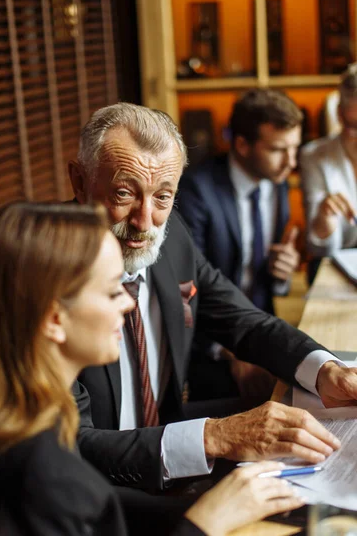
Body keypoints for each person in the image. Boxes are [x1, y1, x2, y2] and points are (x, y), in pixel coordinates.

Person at [0, 201, 305, 536]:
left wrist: (212, 504)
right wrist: (202, 523)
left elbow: (95, 510)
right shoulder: (36, 467)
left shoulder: (17, 409)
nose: (129, 302)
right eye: (112, 292)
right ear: (54, 319)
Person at [69, 102, 357, 494]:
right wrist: (213, 437)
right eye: (123, 193)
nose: (144, 221)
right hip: (99, 490)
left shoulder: (172, 239)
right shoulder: (43, 275)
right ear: (79, 181)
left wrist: (326, 371)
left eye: (163, 197)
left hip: (169, 448)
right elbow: (71, 446)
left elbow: (242, 320)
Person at [177, 88, 301, 401]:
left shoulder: (277, 181)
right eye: (278, 149)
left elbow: (266, 281)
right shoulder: (197, 190)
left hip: (260, 331)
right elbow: (188, 285)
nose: (291, 161)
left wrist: (282, 275)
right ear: (242, 144)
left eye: (295, 148)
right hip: (210, 346)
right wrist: (233, 352)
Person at [300, 64, 357, 269]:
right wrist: (325, 218)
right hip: (338, 260)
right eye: (355, 126)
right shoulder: (313, 156)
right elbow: (319, 250)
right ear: (339, 115)